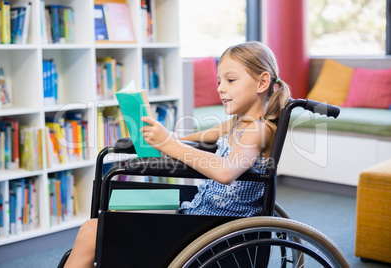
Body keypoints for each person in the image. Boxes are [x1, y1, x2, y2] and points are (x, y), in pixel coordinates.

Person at [63, 41, 290, 268]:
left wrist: (169, 144)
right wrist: (164, 137)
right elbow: (199, 137)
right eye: (219, 81)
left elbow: (225, 171)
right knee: (92, 228)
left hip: (212, 232)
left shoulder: (257, 130)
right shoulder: (237, 123)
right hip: (199, 215)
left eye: (230, 80)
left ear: (262, 82)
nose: (221, 88)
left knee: (92, 234)